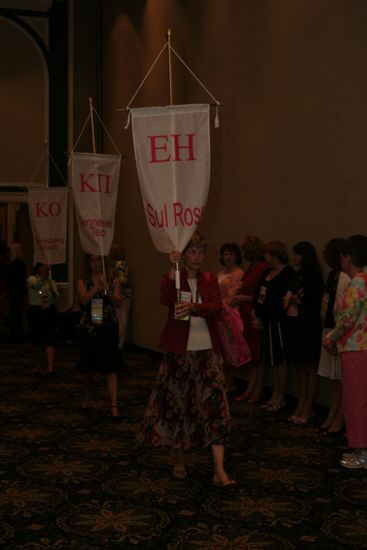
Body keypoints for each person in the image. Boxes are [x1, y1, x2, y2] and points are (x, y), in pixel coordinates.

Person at [138, 233, 234, 486]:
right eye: (192, 252)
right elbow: (165, 299)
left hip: (207, 353)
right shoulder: (174, 278)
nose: (197, 257)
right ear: (183, 254)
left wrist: (194, 307)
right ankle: (179, 459)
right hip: (179, 353)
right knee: (178, 408)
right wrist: (173, 267)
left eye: (201, 252)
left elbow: (216, 307)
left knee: (216, 408)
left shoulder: (209, 279)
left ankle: (220, 469)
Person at [323, 236, 367, 469]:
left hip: (355, 347)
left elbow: (348, 317)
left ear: (348, 257)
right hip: (362, 347)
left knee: (355, 400)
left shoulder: (358, 282)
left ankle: (362, 452)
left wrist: (331, 337)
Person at [76, 254, 122, 418]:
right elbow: (84, 300)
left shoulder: (113, 280)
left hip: (108, 327)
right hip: (90, 328)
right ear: (88, 263)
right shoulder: (83, 281)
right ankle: (87, 396)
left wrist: (107, 289)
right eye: (92, 260)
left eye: (98, 260)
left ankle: (114, 405)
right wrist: (96, 287)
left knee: (111, 366)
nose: (95, 263)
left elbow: (118, 303)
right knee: (88, 366)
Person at [284, 242, 324, 425]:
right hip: (295, 324)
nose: (293, 257)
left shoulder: (314, 276)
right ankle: (300, 404)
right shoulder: (297, 275)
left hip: (308, 326)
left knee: (309, 368)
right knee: (299, 368)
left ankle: (309, 407)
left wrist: (295, 299)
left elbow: (310, 302)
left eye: (296, 254)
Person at [254, 241, 295, 411]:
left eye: (268, 254)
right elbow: (259, 294)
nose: (265, 257)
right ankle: (274, 394)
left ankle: (280, 395)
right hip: (265, 320)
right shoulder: (266, 272)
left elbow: (283, 298)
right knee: (270, 358)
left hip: (278, 321)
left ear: (275, 255)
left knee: (279, 359)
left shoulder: (287, 274)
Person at [317, 238, 350, 433]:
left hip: (338, 330)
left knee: (340, 378)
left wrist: (335, 334)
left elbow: (342, 308)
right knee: (333, 377)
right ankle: (333, 412)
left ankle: (339, 416)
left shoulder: (346, 277)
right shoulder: (333, 275)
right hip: (328, 327)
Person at [235, 235, 268, 403]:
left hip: (253, 312)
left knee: (257, 353)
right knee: (250, 353)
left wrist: (243, 298)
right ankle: (251, 387)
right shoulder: (251, 267)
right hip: (244, 313)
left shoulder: (262, 267)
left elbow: (261, 294)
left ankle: (257, 389)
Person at [216, 242, 251, 391]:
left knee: (230, 348)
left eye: (231, 254)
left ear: (237, 256)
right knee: (220, 349)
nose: (228, 257)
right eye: (225, 254)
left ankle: (229, 383)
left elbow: (232, 296)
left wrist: (218, 306)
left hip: (230, 314)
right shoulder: (220, 273)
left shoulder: (238, 273)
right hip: (218, 312)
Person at [27, 263, 59, 374]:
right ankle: (37, 365)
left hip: (48, 311)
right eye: (43, 268)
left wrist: (53, 291)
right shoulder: (31, 279)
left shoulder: (51, 282)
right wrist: (42, 277)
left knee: (50, 337)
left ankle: (50, 367)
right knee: (36, 339)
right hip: (36, 311)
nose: (45, 270)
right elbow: (35, 285)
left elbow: (56, 296)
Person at [109, 243, 131, 354]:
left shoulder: (119, 264)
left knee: (121, 322)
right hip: (119, 296)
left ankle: (118, 346)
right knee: (119, 322)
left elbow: (123, 280)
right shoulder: (116, 264)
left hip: (122, 297)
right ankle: (117, 345)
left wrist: (113, 278)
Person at [5, 243, 27, 343]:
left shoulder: (12, 265)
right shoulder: (22, 264)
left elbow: (9, 280)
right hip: (20, 292)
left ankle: (14, 334)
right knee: (18, 313)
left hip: (14, 291)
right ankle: (18, 333)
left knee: (14, 313)